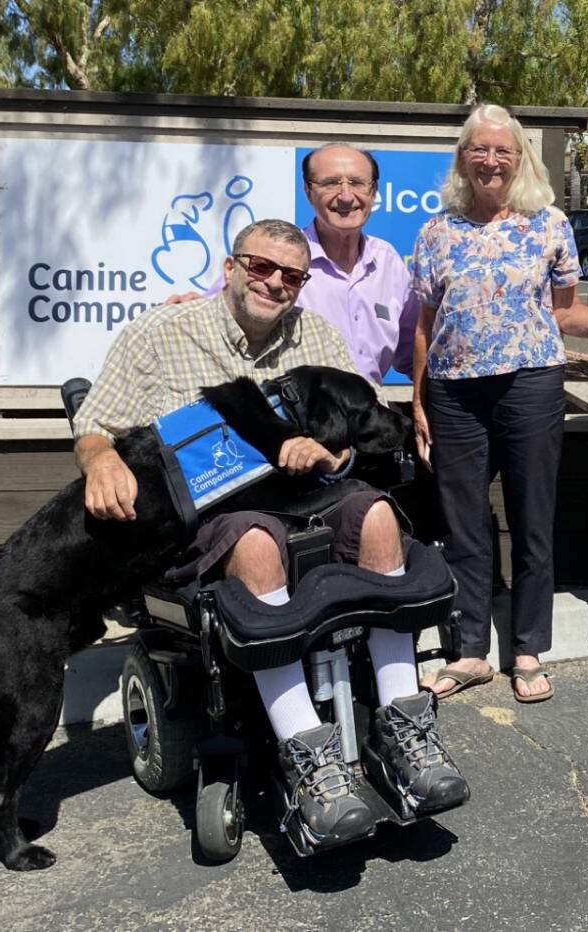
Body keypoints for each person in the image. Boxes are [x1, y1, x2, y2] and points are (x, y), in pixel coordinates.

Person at [74, 219, 467, 846]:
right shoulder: (160, 332)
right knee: (256, 539)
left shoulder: (315, 334)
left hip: (306, 497)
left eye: (292, 275)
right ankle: (307, 755)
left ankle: (405, 728)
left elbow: (362, 420)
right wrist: (100, 461)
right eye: (261, 267)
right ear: (231, 267)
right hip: (210, 514)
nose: (276, 284)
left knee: (379, 515)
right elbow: (95, 423)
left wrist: (328, 447)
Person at [411, 103, 588, 704]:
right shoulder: (437, 232)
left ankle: (529, 647)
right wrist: (420, 401)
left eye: (502, 150)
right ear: (463, 159)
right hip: (454, 392)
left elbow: (564, 313)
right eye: (479, 149)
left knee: (532, 519)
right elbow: (425, 325)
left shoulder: (549, 225)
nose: (490, 160)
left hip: (532, 384)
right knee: (464, 524)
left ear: (520, 159)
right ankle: (470, 651)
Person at [173, 143, 417, 386]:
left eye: (356, 183)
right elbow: (217, 316)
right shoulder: (280, 260)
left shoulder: (388, 263)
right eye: (330, 183)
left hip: (366, 416)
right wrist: (190, 308)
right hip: (293, 416)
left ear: (373, 191)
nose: (345, 196)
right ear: (308, 192)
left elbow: (413, 355)